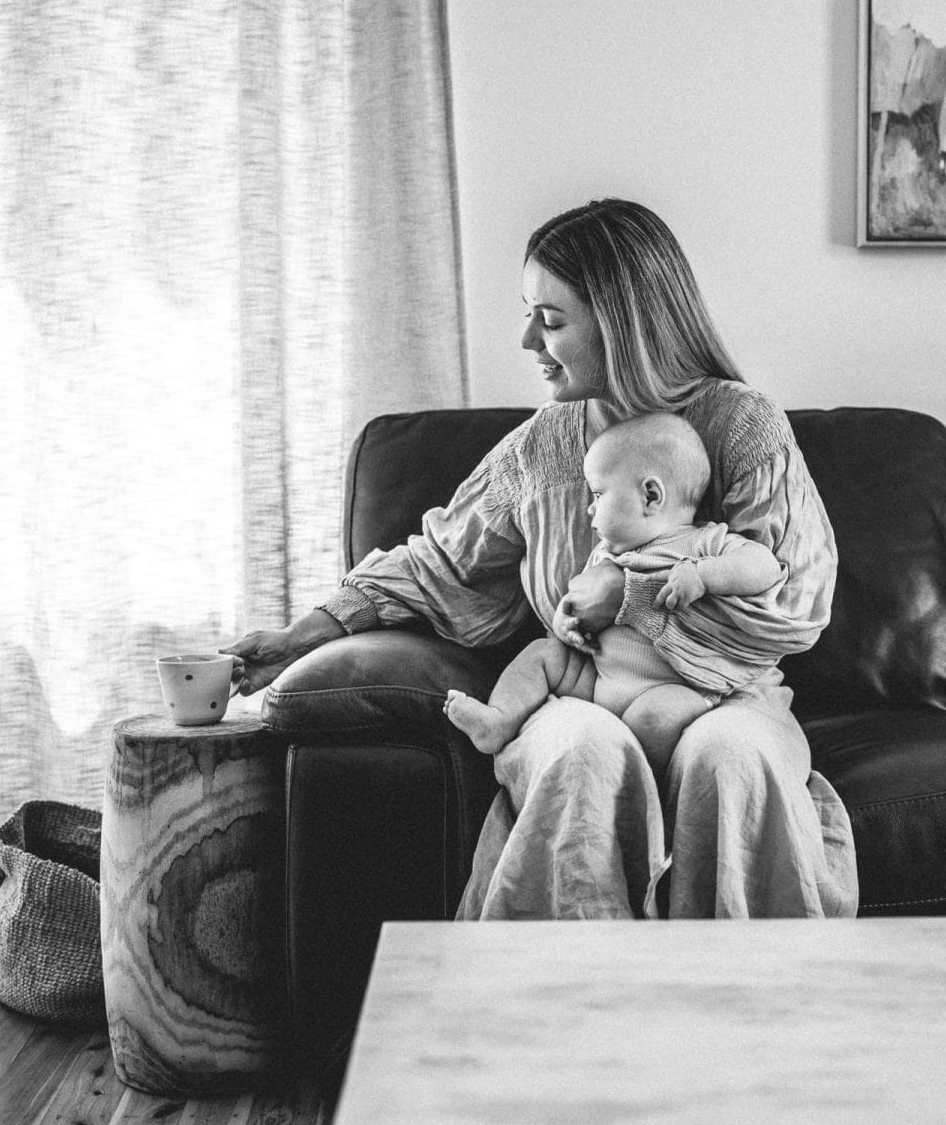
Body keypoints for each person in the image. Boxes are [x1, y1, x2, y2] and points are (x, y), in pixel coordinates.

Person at [225, 197, 857, 920]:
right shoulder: (539, 450)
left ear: (622, 325)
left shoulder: (742, 425)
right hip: (585, 696)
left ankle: (754, 984)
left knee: (731, 758)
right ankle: (560, 985)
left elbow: (793, 599)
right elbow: (439, 564)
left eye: (551, 320)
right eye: (529, 314)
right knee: (583, 751)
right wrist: (301, 635)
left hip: (726, 696)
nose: (528, 338)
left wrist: (630, 597)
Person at [441, 411, 784, 781]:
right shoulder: (606, 554)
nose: (590, 507)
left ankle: (649, 787)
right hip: (597, 680)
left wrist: (702, 576)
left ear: (650, 496)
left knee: (652, 719)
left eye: (599, 494)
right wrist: (565, 620)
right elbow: (578, 601)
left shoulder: (703, 542)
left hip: (676, 686)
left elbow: (764, 566)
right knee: (542, 655)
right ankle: (498, 720)